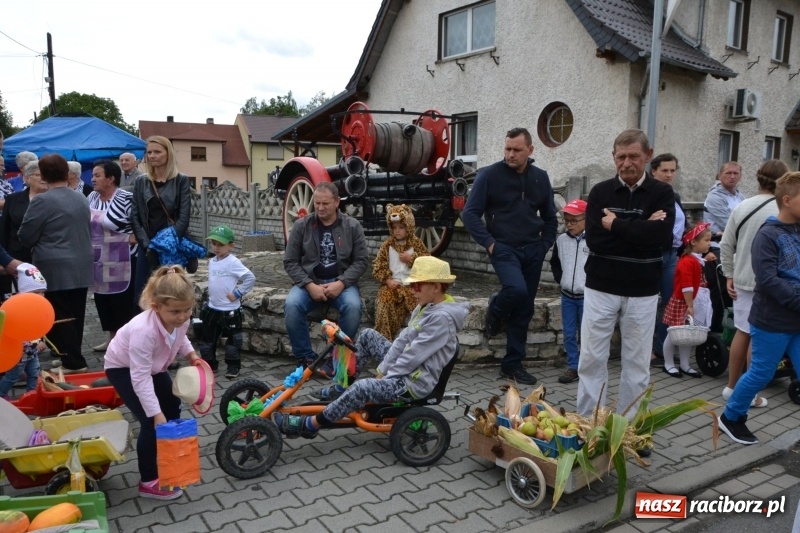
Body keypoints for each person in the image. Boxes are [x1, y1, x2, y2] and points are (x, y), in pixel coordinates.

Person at [274, 256, 469, 438]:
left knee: (364, 387)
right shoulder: (426, 306)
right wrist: (383, 369)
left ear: (436, 287)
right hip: (408, 369)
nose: (412, 290)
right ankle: (342, 389)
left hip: (415, 382)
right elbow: (403, 341)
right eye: (412, 285)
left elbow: (414, 355)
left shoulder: (441, 319)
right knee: (368, 335)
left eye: (417, 286)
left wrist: (386, 376)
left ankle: (310, 425)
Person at [576, 129, 674, 423]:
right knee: (592, 359)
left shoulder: (663, 193)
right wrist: (642, 227)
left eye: (634, 156)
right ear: (613, 157)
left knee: (637, 363)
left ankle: (627, 428)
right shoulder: (600, 192)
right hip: (601, 288)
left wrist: (616, 223)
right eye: (621, 156)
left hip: (643, 291)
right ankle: (589, 423)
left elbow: (662, 237)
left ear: (648, 155)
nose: (627, 162)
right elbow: (595, 240)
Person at [461, 127, 558, 386]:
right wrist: (490, 244)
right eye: (507, 149)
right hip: (503, 248)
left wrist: (545, 244)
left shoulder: (540, 178)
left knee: (524, 309)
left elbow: (550, 217)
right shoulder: (489, 176)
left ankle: (512, 365)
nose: (511, 154)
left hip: (534, 249)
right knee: (515, 290)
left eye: (516, 150)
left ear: (530, 150)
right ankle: (496, 308)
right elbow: (469, 213)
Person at [104, 265, 202, 499]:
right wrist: (155, 413)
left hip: (155, 366)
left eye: (187, 310)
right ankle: (148, 481)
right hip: (124, 369)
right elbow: (139, 378)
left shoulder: (182, 318)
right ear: (156, 307)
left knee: (172, 407)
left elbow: (180, 338)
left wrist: (191, 355)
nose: (182, 316)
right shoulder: (143, 331)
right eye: (175, 312)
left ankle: (169, 461)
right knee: (151, 421)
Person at [718, 172, 800, 445]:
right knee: (761, 373)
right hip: (773, 320)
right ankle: (731, 417)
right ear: (787, 200)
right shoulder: (768, 234)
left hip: (796, 319)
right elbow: (767, 279)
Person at [719, 159, 788, 408]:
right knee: (758, 338)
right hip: (770, 283)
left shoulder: (742, 205)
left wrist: (729, 275)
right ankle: (749, 394)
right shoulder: (782, 210)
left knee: (742, 331)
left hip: (742, 279)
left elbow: (726, 245)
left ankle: (730, 387)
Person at [18, 154, 93, 374]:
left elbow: (26, 235)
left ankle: (74, 362)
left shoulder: (42, 200)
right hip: (81, 261)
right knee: (76, 313)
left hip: (54, 264)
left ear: (43, 174)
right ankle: (69, 354)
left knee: (60, 314)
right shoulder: (81, 197)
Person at [283, 181, 368, 368]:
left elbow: (362, 260)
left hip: (341, 283)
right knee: (292, 305)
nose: (320, 208)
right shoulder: (301, 226)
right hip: (310, 282)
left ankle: (336, 359)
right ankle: (305, 358)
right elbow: (290, 261)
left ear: (337, 202)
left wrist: (342, 283)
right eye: (317, 203)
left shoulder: (352, 226)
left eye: (325, 204)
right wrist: (308, 285)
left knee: (353, 307)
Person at [130, 136, 193, 308]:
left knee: (171, 295)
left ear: (168, 154)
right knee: (144, 296)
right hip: (147, 246)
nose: (152, 156)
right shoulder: (141, 181)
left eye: (157, 151)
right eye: (149, 152)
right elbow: (135, 216)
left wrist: (166, 243)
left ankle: (172, 333)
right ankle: (145, 333)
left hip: (171, 247)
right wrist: (147, 245)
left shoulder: (181, 180)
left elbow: (184, 216)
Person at [87, 160, 137, 353]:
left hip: (122, 259)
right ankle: (111, 338)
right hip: (99, 259)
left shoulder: (125, 198)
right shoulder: (91, 197)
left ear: (110, 179)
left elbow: (137, 225)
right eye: (93, 175)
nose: (93, 179)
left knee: (121, 302)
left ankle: (123, 344)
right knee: (102, 300)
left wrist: (132, 238)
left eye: (97, 175)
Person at [198, 225, 255, 378]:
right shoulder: (212, 262)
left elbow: (250, 278)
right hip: (212, 308)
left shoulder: (233, 262)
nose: (216, 247)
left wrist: (238, 293)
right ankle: (210, 364)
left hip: (230, 310)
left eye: (220, 244)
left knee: (233, 341)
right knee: (207, 340)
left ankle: (233, 366)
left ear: (231, 246)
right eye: (213, 243)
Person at [649, 154, 688, 367]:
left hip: (673, 254)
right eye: (665, 170)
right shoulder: (648, 195)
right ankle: (646, 351)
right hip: (653, 254)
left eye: (673, 170)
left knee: (672, 302)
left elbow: (682, 223)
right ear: (654, 171)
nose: (669, 174)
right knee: (646, 303)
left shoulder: (675, 195)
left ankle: (661, 348)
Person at [661, 223, 713, 378]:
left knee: (688, 334)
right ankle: (668, 364)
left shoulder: (694, 259)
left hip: (691, 302)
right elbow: (686, 286)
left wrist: (705, 258)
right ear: (693, 242)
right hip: (683, 302)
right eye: (706, 240)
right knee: (674, 334)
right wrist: (690, 305)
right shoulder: (687, 261)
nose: (709, 243)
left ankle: (684, 364)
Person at [372, 204, 430, 340]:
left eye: (401, 227)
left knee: (423, 309)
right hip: (393, 285)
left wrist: (412, 259)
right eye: (394, 227)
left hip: (413, 287)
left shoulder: (416, 243)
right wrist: (387, 280)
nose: (397, 231)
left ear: (408, 227)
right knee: (383, 302)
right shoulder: (387, 245)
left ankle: (423, 339)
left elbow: (427, 262)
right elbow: (377, 266)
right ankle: (383, 338)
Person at [549, 199, 588, 384]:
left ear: (586, 219)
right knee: (569, 333)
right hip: (567, 297)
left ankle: (587, 367)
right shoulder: (562, 240)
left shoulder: (594, 241)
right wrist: (562, 280)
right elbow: (555, 263)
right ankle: (573, 366)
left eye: (574, 220)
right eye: (567, 221)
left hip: (587, 297)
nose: (570, 225)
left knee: (587, 333)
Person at [0, 263, 47, 399]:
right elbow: (19, 331)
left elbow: (37, 326)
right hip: (19, 353)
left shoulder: (36, 308)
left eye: (43, 292)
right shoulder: (18, 310)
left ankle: (32, 394)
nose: (41, 296)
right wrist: (34, 341)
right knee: (13, 376)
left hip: (32, 352)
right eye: (37, 292)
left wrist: (39, 339)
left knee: (34, 372)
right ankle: (1, 394)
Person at [704, 161, 745, 238]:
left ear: (740, 177)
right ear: (720, 176)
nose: (732, 176)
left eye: (735, 173)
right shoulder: (714, 197)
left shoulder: (741, 197)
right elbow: (727, 225)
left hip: (736, 242)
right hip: (718, 244)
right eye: (728, 173)